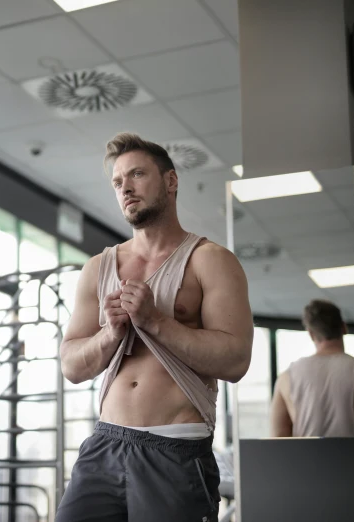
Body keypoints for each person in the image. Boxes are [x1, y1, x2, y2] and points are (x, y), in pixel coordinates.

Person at [56, 133, 253, 522]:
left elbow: (235, 361)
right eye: (117, 182)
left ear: (170, 181)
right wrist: (110, 334)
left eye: (137, 174)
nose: (125, 187)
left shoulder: (210, 260)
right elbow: (71, 366)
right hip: (105, 444)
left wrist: (154, 321)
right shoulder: (98, 268)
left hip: (175, 450)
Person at [270, 299, 354, 438]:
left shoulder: (286, 378)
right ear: (344, 327)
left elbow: (278, 438)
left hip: (304, 459)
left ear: (311, 333)